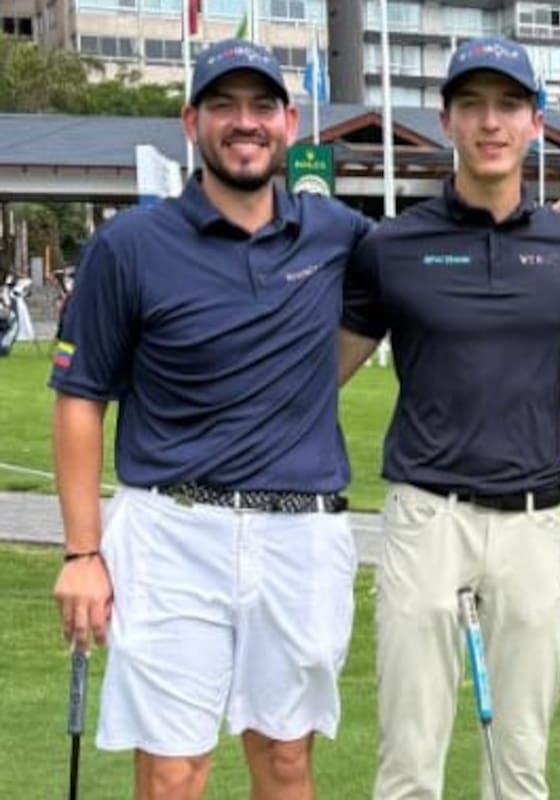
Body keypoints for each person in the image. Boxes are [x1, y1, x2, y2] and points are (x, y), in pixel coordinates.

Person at [49, 40, 374, 799]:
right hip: (171, 535)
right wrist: (80, 554)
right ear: (191, 121)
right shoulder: (128, 246)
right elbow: (79, 398)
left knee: (287, 762)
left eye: (262, 106)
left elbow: (439, 254)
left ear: (290, 124)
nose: (244, 122)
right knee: (171, 771)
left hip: (301, 538)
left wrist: (550, 224)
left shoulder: (337, 235)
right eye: (223, 105)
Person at [336, 37, 560, 799]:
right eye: (472, 106)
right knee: (408, 757)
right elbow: (319, 373)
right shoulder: (391, 247)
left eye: (507, 106)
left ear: (535, 123)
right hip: (425, 515)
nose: (489, 123)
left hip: (534, 522)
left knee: (520, 761)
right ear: (446, 122)